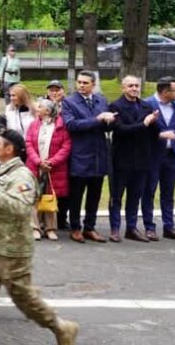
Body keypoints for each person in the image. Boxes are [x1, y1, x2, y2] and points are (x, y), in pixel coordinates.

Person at [0, 129, 79, 345]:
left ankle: (61, 327)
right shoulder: (0, 170)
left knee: (23, 297)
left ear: (9, 149)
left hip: (12, 248)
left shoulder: (21, 175)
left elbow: (20, 207)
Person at [59, 70, 115, 243]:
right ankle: (75, 227)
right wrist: (98, 119)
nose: (82, 85)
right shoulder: (69, 102)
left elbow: (104, 127)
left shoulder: (101, 100)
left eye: (86, 83)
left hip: (99, 155)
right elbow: (72, 125)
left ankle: (90, 227)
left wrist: (109, 121)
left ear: (93, 85)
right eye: (80, 82)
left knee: (95, 194)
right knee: (76, 195)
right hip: (80, 155)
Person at [107, 75, 161, 242]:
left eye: (137, 86)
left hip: (141, 159)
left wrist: (157, 126)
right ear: (123, 88)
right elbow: (121, 130)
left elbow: (153, 131)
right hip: (121, 158)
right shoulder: (116, 106)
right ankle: (115, 228)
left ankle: (131, 227)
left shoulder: (146, 106)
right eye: (130, 86)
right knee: (116, 196)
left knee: (135, 196)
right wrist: (143, 124)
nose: (134, 89)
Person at [144, 77, 175, 241]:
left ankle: (169, 227)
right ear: (165, 92)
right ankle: (149, 227)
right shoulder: (147, 104)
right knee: (149, 191)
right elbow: (143, 131)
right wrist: (159, 135)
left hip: (172, 155)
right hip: (153, 155)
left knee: (168, 193)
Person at [25, 99, 72, 241]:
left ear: (47, 110)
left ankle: (50, 228)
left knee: (50, 197)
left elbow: (66, 146)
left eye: (40, 107)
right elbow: (28, 143)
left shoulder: (61, 126)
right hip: (35, 166)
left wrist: (52, 161)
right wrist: (38, 162)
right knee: (34, 197)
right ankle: (35, 227)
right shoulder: (33, 124)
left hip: (53, 168)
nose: (37, 109)